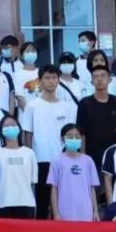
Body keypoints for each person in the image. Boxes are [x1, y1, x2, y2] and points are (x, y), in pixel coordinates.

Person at [21, 66, 77, 219]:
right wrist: (29, 161)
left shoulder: (67, 107)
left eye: (54, 78)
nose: (51, 81)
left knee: (62, 202)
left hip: (63, 160)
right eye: (47, 78)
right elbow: (28, 135)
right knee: (42, 202)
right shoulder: (32, 106)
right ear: (40, 81)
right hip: (40, 160)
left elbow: (72, 135)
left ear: (58, 80)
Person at [76, 63, 116, 178]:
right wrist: (83, 157)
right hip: (93, 156)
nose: (99, 79)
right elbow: (81, 133)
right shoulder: (84, 104)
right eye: (95, 76)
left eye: (103, 75)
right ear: (91, 82)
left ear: (110, 79)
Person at [48, 124, 100, 222]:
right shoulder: (56, 161)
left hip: (85, 210)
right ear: (63, 138)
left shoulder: (88, 160)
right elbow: (54, 188)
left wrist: (95, 211)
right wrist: (56, 213)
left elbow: (92, 188)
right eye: (70, 136)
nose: (74, 139)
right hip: (64, 211)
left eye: (77, 136)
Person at [0, 116, 37, 219]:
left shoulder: (29, 153)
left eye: (13, 125)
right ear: (1, 131)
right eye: (6, 126)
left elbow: (33, 183)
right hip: (3, 203)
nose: (10, 127)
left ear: (19, 128)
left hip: (27, 203)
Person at [11, 42, 41, 111]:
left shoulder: (42, 73)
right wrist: (30, 114)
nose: (31, 53)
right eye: (27, 51)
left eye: (33, 51)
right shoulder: (17, 75)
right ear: (22, 55)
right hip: (25, 114)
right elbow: (20, 98)